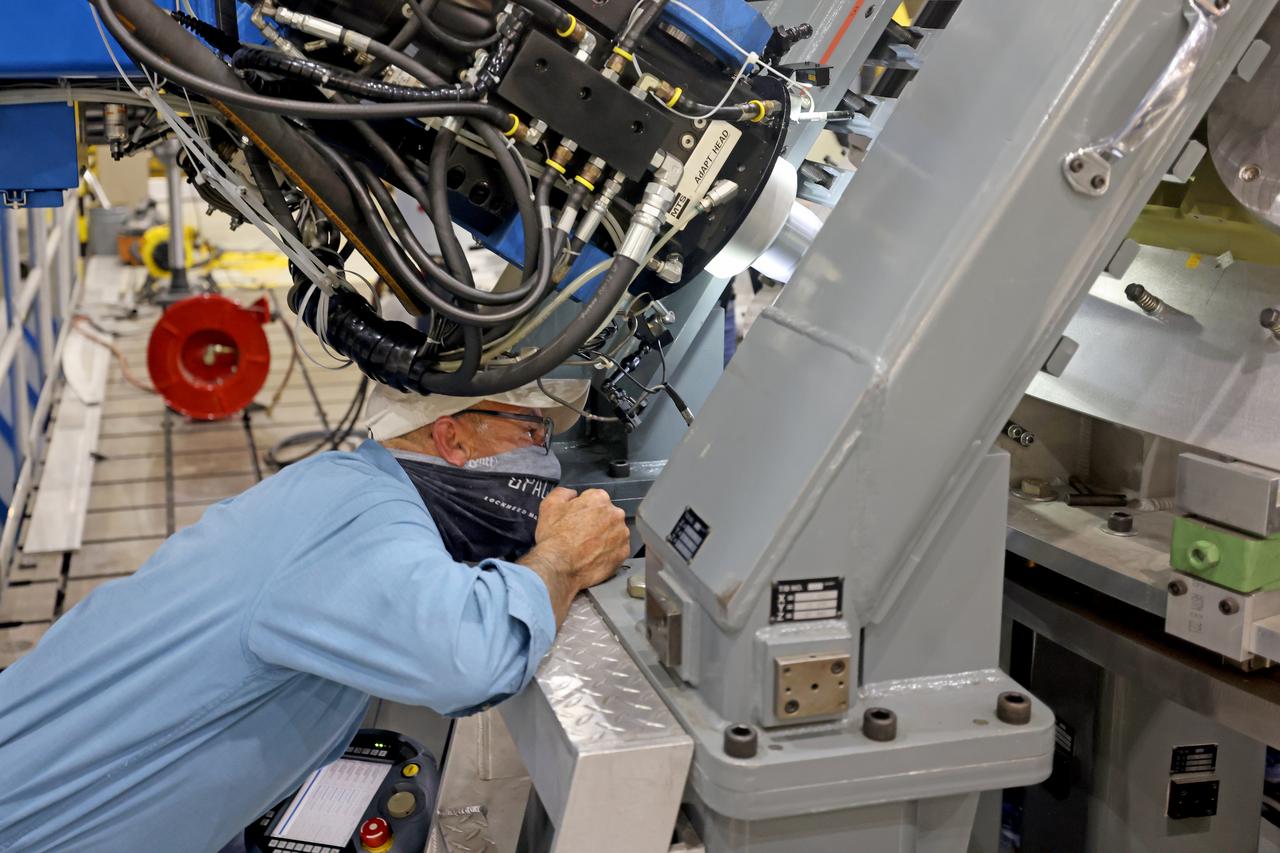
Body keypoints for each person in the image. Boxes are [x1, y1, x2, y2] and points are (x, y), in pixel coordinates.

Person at [0, 378, 631, 853]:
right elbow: (470, 659)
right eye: (531, 431)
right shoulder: (359, 517)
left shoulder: (343, 487)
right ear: (453, 436)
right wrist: (564, 560)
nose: (545, 456)